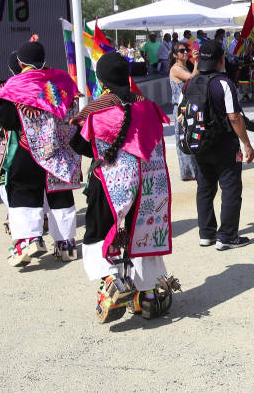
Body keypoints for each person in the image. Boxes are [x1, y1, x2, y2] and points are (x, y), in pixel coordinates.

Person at [70, 52, 177, 322]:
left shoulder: (96, 110)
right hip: (147, 185)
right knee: (140, 234)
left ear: (101, 79)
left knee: (97, 232)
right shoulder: (148, 106)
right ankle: (147, 296)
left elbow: (79, 145)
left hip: (108, 184)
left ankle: (111, 285)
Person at [0, 38, 82, 266]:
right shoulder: (62, 80)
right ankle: (66, 243)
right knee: (60, 193)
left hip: (28, 149)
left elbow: (8, 121)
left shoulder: (15, 85)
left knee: (24, 190)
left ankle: (29, 239)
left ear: (21, 63)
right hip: (60, 149)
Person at [191, 40, 254, 249]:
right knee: (230, 188)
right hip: (224, 143)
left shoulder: (192, 82)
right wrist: (246, 143)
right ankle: (227, 236)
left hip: (200, 143)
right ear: (221, 59)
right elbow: (235, 117)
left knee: (205, 188)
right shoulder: (224, 83)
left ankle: (206, 233)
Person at [169, 41, 197, 181]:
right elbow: (193, 79)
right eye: (181, 51)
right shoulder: (175, 69)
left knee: (192, 136)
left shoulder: (186, 67)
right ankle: (188, 172)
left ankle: (193, 170)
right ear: (175, 55)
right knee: (183, 138)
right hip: (181, 108)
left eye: (186, 49)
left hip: (189, 106)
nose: (185, 52)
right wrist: (197, 61)